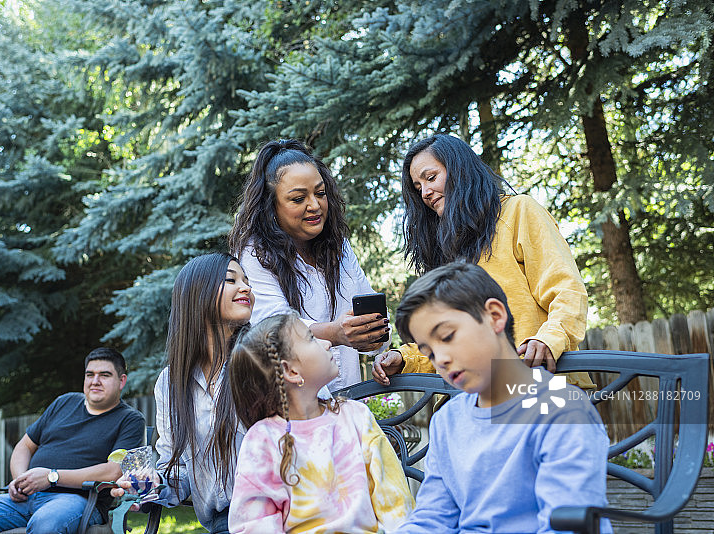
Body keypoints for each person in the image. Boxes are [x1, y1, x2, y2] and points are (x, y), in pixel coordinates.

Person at [393, 262, 611, 533]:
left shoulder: (562, 408)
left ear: (495, 316)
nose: (442, 360)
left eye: (447, 337)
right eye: (430, 354)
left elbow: (567, 526)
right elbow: (433, 518)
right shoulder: (447, 420)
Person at [373, 133, 593, 389]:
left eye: (431, 178)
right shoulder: (446, 247)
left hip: (542, 386)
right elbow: (448, 335)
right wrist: (404, 358)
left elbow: (567, 290)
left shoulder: (519, 211)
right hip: (475, 402)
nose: (425, 192)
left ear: (460, 170)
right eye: (418, 187)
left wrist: (549, 339)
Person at [229, 139, 395, 392]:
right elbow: (273, 325)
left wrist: (378, 343)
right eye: (298, 199)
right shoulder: (255, 253)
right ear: (271, 207)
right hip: (293, 405)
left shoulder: (340, 247)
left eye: (320, 193)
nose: (315, 206)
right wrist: (334, 333)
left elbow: (368, 302)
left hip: (348, 404)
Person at [228, 312, 414, 533]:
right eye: (310, 338)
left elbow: (395, 501)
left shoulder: (356, 417)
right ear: (291, 371)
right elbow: (254, 525)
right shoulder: (262, 441)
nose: (327, 343)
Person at [113, 253, 254, 534]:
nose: (246, 287)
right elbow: (178, 471)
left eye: (247, 280)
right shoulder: (171, 383)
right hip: (222, 522)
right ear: (197, 295)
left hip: (283, 512)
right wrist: (151, 483)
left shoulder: (264, 357)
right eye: (231, 280)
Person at [0, 348, 145, 534]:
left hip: (77, 501)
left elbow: (114, 471)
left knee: (46, 525)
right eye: (90, 374)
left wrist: (51, 477)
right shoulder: (64, 402)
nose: (95, 381)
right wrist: (20, 480)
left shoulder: (129, 419)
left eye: (105, 375)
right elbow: (25, 446)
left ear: (121, 381)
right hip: (26, 498)